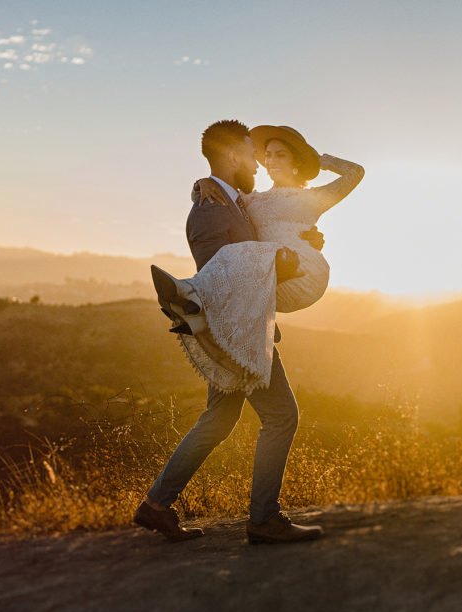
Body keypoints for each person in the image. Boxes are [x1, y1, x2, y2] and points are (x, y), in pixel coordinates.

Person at [134, 119, 360, 544]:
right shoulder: (210, 207)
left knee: (219, 418)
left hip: (236, 326)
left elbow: (267, 229)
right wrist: (282, 262)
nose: (259, 162)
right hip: (236, 331)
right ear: (234, 156)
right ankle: (263, 519)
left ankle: (156, 506)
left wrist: (301, 241)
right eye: (251, 154)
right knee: (281, 416)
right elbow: (222, 269)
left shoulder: (228, 200)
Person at [154, 123, 364, 394]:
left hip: (303, 273)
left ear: (297, 161)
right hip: (272, 269)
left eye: (280, 155)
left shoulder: (313, 198)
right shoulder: (253, 199)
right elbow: (222, 198)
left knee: (240, 256)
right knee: (235, 258)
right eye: (268, 154)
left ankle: (192, 294)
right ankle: (196, 308)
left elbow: (355, 172)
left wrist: (320, 160)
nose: (270, 160)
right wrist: (201, 183)